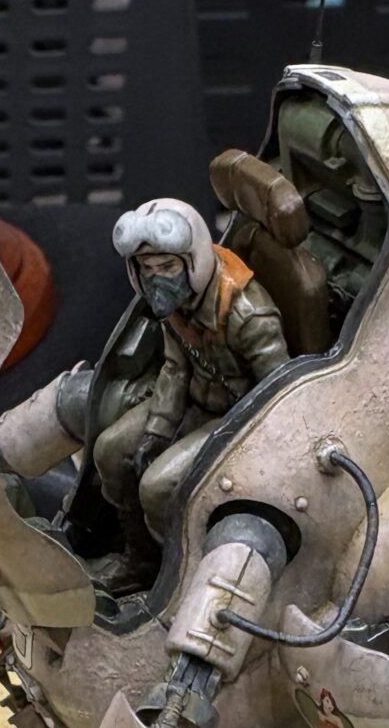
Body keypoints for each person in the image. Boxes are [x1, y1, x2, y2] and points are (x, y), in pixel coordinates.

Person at [94, 200, 288, 583]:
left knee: (157, 488)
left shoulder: (248, 315)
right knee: (111, 451)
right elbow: (175, 368)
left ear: (192, 261)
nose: (157, 278)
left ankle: (180, 577)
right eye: (147, 269)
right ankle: (141, 561)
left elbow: (277, 399)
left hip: (238, 421)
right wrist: (156, 432)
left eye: (167, 267)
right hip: (195, 404)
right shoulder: (177, 304)